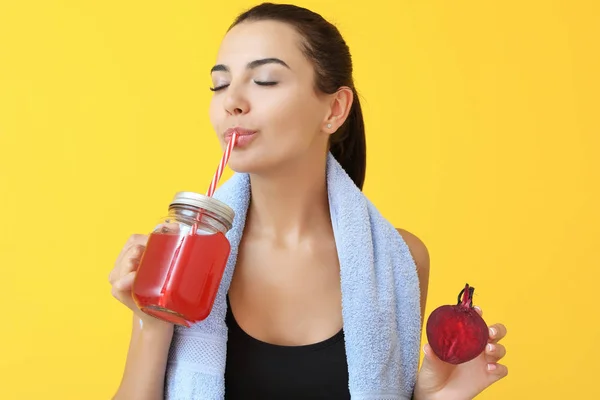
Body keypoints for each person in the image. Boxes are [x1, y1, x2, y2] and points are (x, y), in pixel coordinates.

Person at [109, 3, 508, 399]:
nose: (232, 101)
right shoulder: (182, 256)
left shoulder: (397, 259)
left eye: (264, 80)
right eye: (219, 84)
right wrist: (152, 322)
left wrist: (435, 397)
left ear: (334, 109)